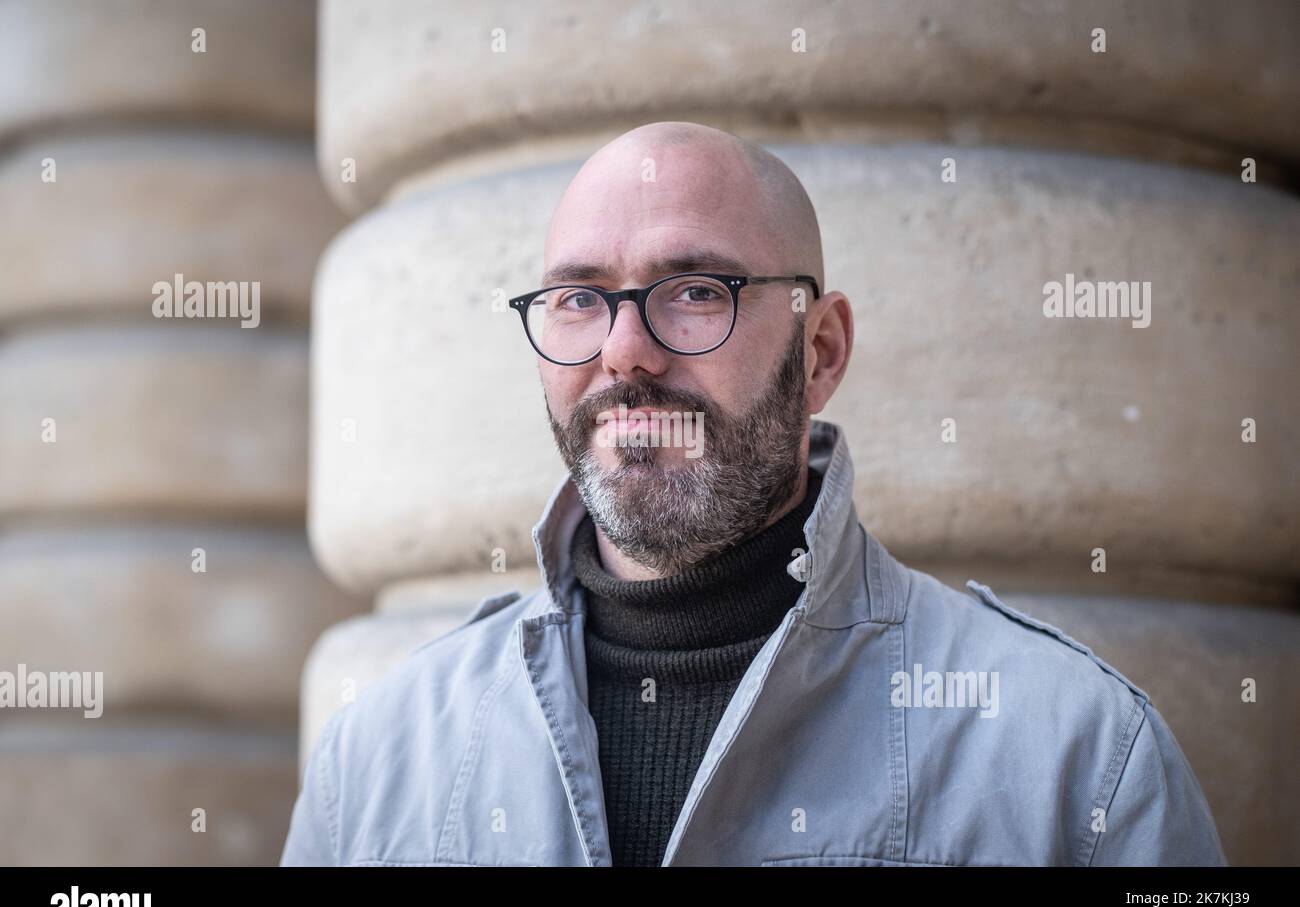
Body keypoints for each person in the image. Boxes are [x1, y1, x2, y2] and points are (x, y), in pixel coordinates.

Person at [281, 121, 1226, 867]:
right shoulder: (375, 761)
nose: (624, 352)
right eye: (579, 298)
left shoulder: (1076, 757)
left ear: (820, 352)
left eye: (694, 290)